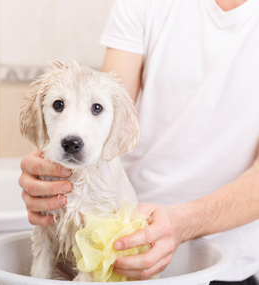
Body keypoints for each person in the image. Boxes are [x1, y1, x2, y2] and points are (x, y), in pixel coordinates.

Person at [19, 0, 259, 284]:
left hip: (225, 257)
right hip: (121, 231)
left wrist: (184, 222)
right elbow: (108, 107)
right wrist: (45, 167)